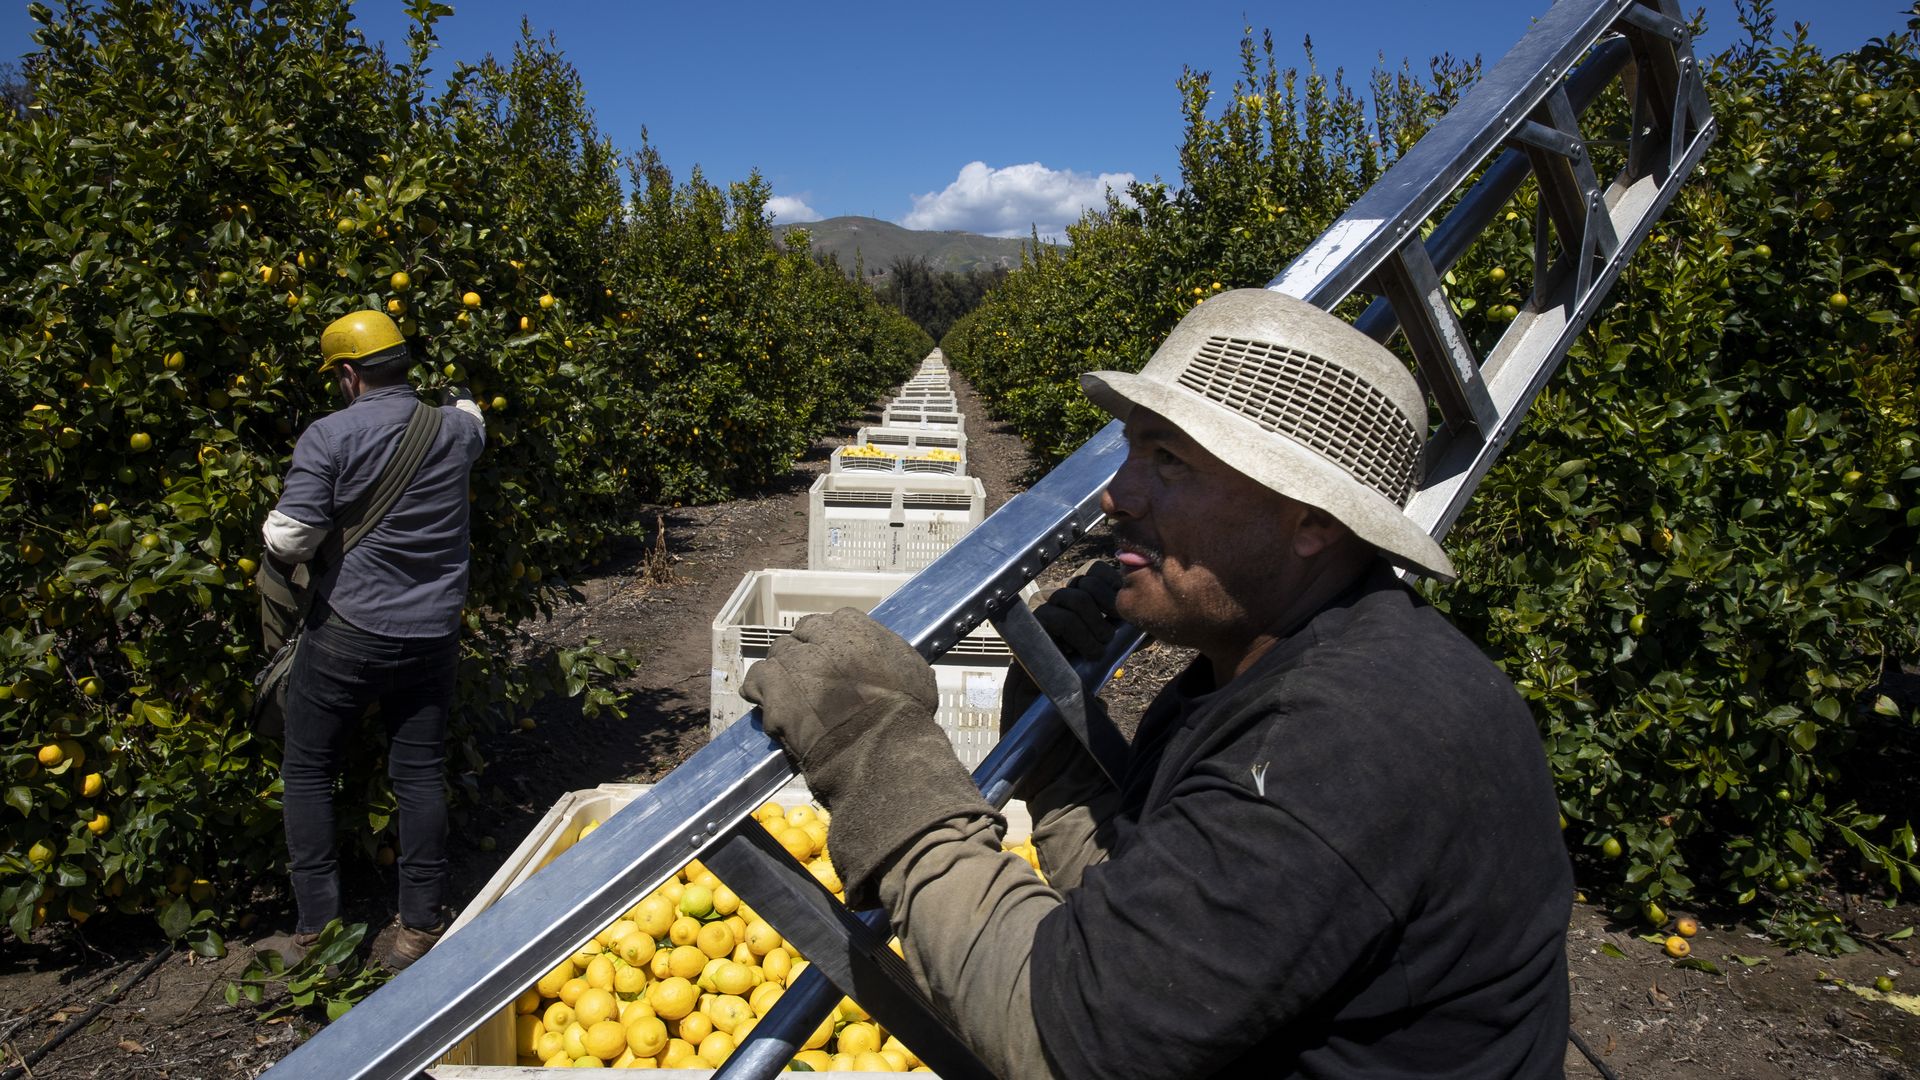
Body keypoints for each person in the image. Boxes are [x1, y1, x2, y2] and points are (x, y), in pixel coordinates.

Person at [743, 288, 1573, 1077]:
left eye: (1169, 461)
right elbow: (1151, 910)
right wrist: (1052, 745)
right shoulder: (1259, 668)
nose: (1117, 495)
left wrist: (872, 746)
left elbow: (1062, 1034)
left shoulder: (1347, 739)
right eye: (1133, 449)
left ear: (1314, 521)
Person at [261, 310, 486, 972]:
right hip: (433, 633)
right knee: (417, 772)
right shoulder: (454, 431)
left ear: (349, 374)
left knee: (307, 770)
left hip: (349, 632)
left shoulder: (329, 436)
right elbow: (474, 418)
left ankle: (319, 935)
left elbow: (288, 539)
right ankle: (417, 927)